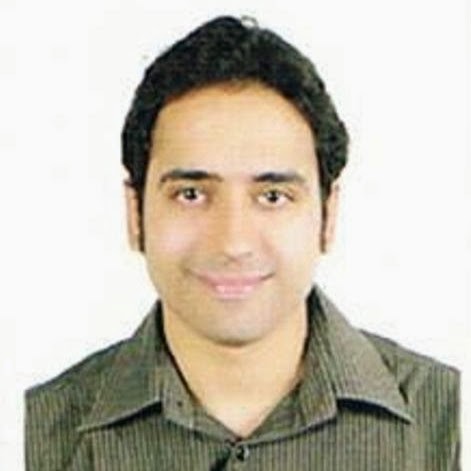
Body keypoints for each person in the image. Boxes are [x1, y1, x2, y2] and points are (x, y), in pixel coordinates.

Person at [25, 15, 460, 470]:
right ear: (135, 214)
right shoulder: (33, 438)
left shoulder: (447, 426)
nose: (232, 243)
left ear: (328, 216)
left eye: (272, 196)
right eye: (191, 194)